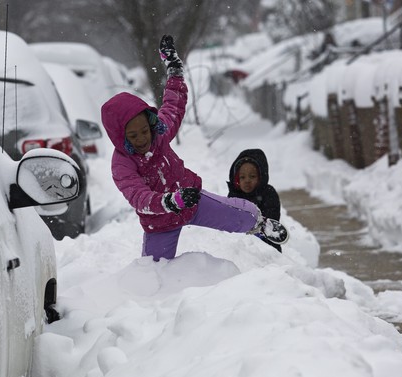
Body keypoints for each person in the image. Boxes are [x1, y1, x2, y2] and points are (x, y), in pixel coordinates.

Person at [101, 35, 265, 261]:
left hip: (191, 201)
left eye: (144, 130)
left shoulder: (158, 133)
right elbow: (139, 197)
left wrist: (175, 71)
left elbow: (173, 106)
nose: (142, 139)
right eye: (133, 135)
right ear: (121, 136)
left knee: (241, 216)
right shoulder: (122, 164)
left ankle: (261, 225)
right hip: (160, 223)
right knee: (153, 271)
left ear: (150, 124)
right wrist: (169, 202)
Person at [227, 149, 282, 252]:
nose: (247, 180)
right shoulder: (234, 195)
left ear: (261, 177)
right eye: (242, 177)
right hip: (241, 248)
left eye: (252, 176)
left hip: (267, 247)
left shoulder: (268, 194)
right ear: (237, 179)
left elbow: (271, 222)